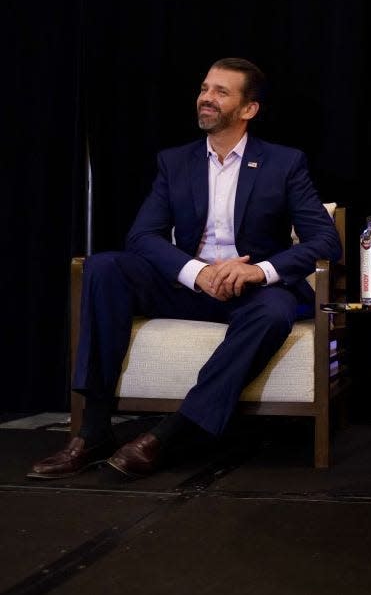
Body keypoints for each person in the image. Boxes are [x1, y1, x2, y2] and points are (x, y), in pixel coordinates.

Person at [29, 58, 342, 479]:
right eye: (204, 88)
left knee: (275, 311)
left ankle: (171, 433)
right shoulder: (175, 162)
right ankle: (94, 429)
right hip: (189, 286)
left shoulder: (284, 163)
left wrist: (259, 270)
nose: (206, 98)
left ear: (249, 109)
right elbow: (142, 237)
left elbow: (326, 241)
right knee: (105, 268)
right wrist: (196, 271)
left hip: (252, 292)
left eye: (221, 92)